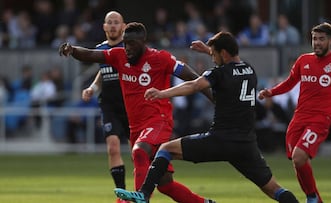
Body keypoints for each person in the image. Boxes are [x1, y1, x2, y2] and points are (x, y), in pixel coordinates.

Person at [113, 31, 299, 203]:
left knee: (166, 149)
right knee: (274, 189)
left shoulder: (219, 73)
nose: (213, 58)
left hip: (220, 140)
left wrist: (162, 94)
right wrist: (209, 50)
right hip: (246, 145)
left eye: (214, 54)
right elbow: (229, 70)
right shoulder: (250, 71)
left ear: (223, 53)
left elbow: (194, 85)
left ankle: (144, 194)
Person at [59, 22, 214, 203]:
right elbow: (92, 54)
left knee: (139, 151)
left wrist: (212, 96)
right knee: (165, 185)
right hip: (136, 127)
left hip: (159, 121)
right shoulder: (118, 56)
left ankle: (140, 199)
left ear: (143, 42)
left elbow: (192, 77)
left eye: (131, 44)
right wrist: (73, 50)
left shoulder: (160, 58)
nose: (127, 48)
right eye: (125, 43)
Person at [258, 22, 331, 203]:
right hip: (298, 118)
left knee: (299, 157)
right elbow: (290, 82)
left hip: (320, 119)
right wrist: (271, 92)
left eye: (322, 39)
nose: (317, 43)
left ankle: (311, 197)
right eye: (314, 39)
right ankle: (316, 199)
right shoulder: (303, 60)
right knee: (299, 162)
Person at [80, 11, 130, 203]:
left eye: (116, 22)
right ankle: (122, 195)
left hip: (130, 105)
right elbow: (103, 71)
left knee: (137, 151)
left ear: (123, 26)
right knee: (113, 148)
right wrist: (92, 88)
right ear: (104, 26)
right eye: (109, 22)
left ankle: (142, 191)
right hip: (109, 105)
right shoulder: (100, 50)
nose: (113, 26)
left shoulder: (129, 48)